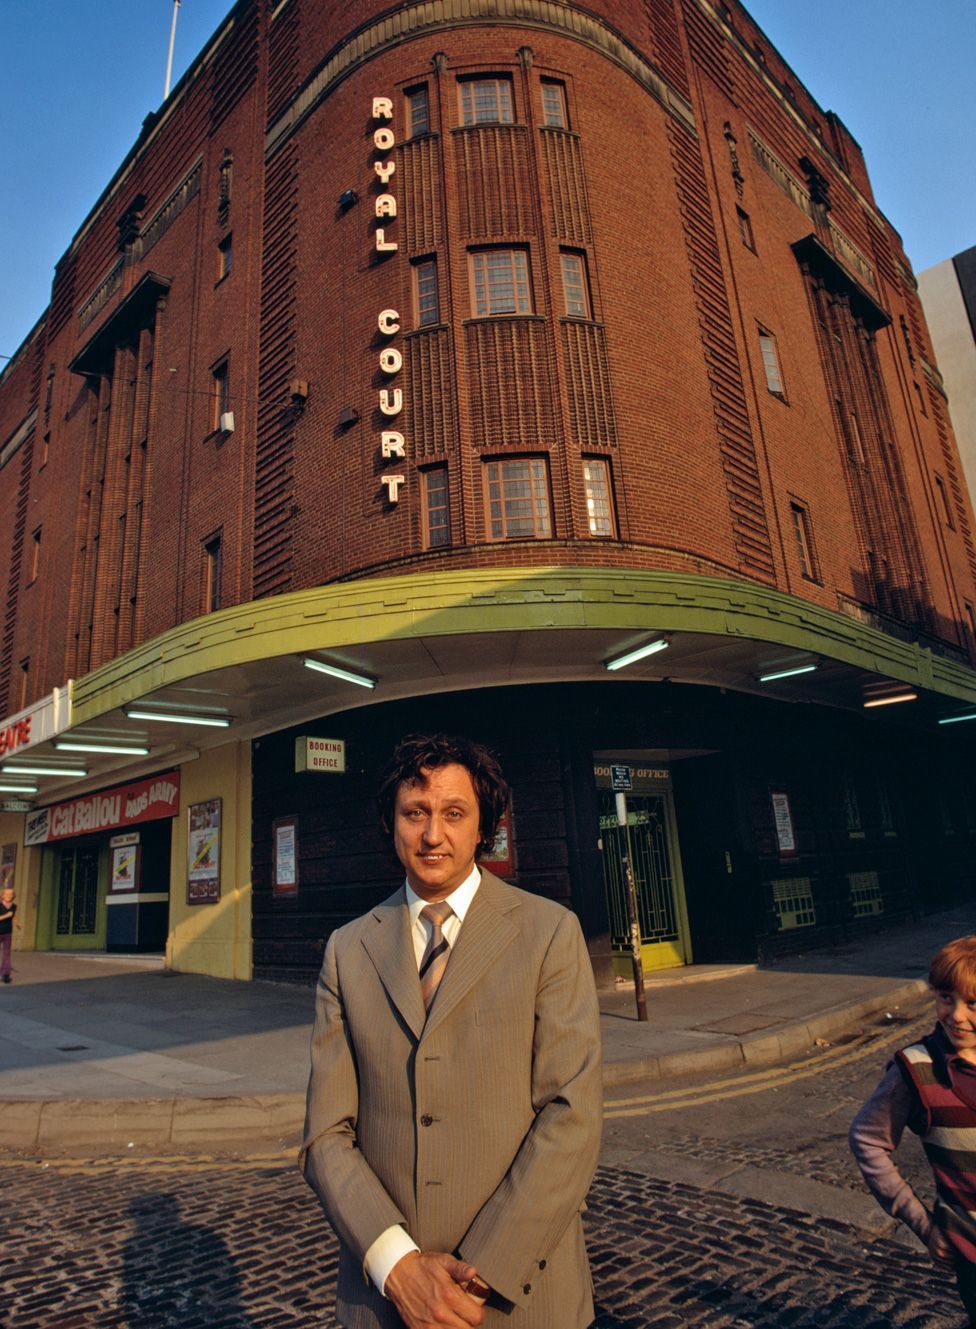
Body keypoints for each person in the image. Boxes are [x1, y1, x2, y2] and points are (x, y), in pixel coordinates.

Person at [301, 733, 603, 1329]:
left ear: (482, 826)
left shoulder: (550, 934)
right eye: (415, 813)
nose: (432, 834)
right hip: (389, 1305)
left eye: (453, 813)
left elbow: (572, 1115)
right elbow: (326, 1135)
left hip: (516, 1297)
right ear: (392, 824)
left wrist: (481, 1271)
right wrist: (400, 1269)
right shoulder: (346, 950)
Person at [850, 934, 976, 1325]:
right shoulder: (916, 1070)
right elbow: (867, 1140)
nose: (956, 1015)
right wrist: (923, 1223)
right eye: (945, 997)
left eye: (972, 1003)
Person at [0, 887, 15, 984]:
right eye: (6, 894)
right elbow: (7, 916)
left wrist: (17, 923)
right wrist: (7, 915)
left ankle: (5, 974)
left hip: (8, 932)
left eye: (11, 894)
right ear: (2, 895)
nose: (8, 896)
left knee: (6, 954)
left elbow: (13, 916)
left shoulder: (13, 906)